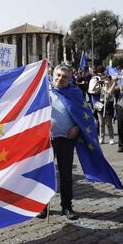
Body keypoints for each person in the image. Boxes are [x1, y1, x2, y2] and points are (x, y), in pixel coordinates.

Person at [38, 64, 79, 220]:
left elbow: (85, 115)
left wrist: (77, 128)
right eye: (59, 75)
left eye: (65, 76)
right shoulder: (42, 91)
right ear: (53, 75)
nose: (61, 78)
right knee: (45, 174)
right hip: (45, 140)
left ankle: (67, 206)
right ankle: (42, 206)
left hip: (66, 140)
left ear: (69, 79)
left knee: (66, 175)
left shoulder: (75, 94)